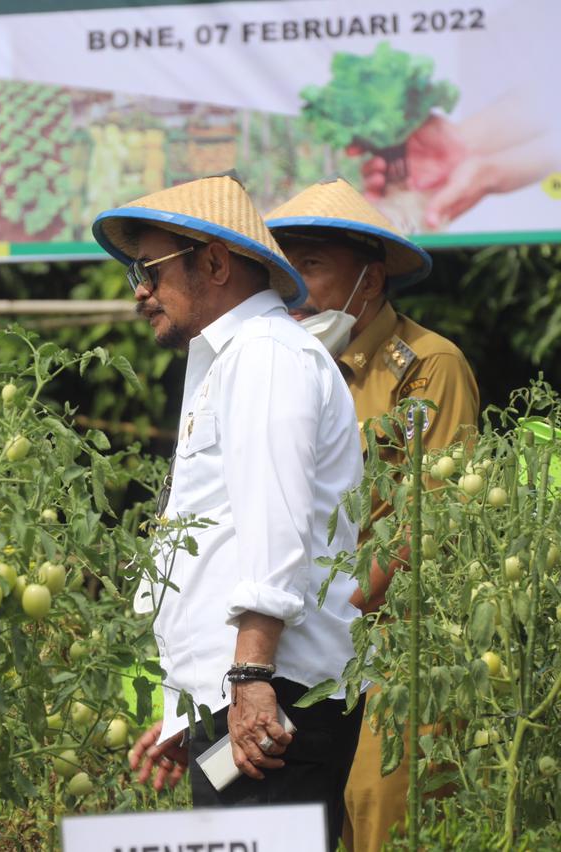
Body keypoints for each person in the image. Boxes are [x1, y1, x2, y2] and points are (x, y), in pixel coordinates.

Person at [97, 173, 364, 848]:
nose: (139, 291)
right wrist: (198, 712)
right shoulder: (235, 358)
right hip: (253, 705)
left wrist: (247, 679)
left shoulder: (268, 354)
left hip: (273, 702)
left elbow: (276, 526)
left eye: (149, 269)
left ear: (214, 262)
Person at [267, 177, 480, 852]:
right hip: (292, 649)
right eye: (284, 268)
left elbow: (430, 518)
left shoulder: (426, 367)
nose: (294, 288)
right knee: (292, 821)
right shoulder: (287, 368)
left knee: (380, 814)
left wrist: (340, 618)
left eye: (312, 266)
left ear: (372, 272)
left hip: (389, 649)